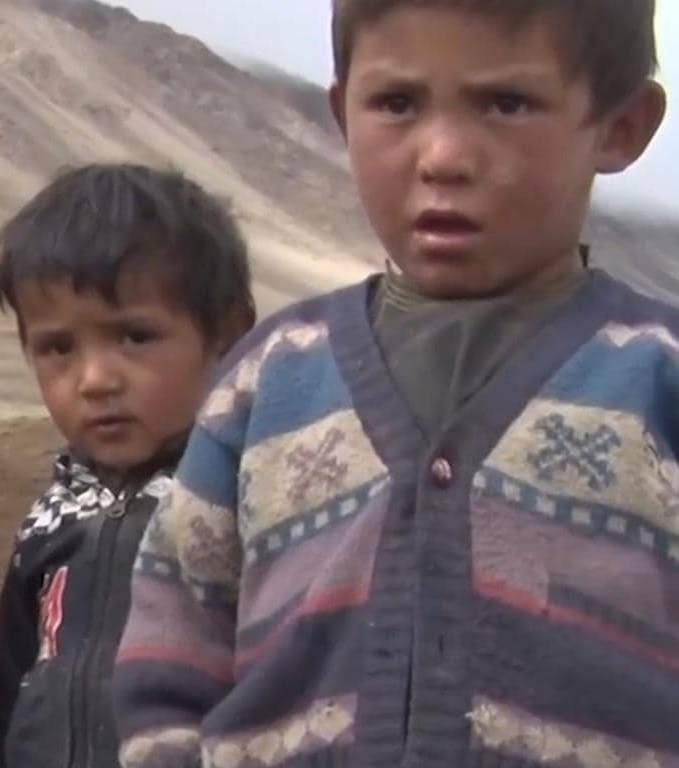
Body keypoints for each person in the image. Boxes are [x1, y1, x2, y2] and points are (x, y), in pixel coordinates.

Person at [114, 2, 677, 765]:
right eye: (398, 104)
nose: (442, 155)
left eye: (505, 103)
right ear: (343, 112)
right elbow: (173, 645)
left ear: (621, 126)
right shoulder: (267, 381)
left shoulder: (660, 376)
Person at [0, 163, 256, 768]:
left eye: (133, 336)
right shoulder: (49, 523)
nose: (96, 380)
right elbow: (9, 697)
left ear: (228, 335)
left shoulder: (244, 506)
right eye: (57, 348)